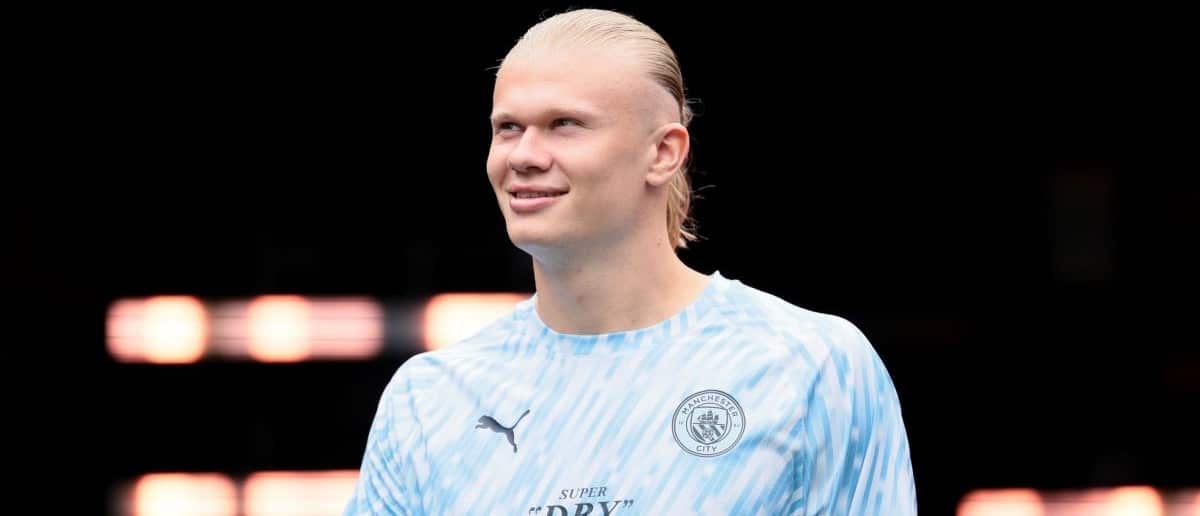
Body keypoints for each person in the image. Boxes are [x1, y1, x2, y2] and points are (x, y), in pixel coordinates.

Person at [345, 8, 916, 515]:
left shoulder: (811, 366)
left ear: (663, 152)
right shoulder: (428, 401)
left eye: (564, 124)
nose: (523, 156)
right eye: (508, 128)